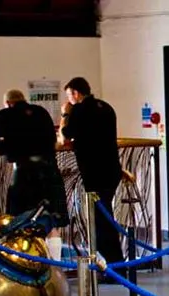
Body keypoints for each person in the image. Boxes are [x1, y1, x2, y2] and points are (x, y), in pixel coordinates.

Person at [0, 89, 68, 260]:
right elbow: (53, 139)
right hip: (50, 170)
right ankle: (57, 268)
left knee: (21, 221)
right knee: (53, 222)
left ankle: (28, 263)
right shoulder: (41, 112)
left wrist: (7, 147)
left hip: (24, 173)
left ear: (8, 103)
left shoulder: (6, 114)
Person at [59, 77, 125, 265]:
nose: (69, 100)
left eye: (69, 96)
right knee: (106, 217)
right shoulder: (106, 107)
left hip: (94, 172)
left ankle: (113, 265)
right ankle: (116, 262)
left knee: (100, 222)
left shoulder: (80, 110)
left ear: (76, 93)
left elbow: (66, 135)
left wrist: (65, 114)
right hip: (112, 169)